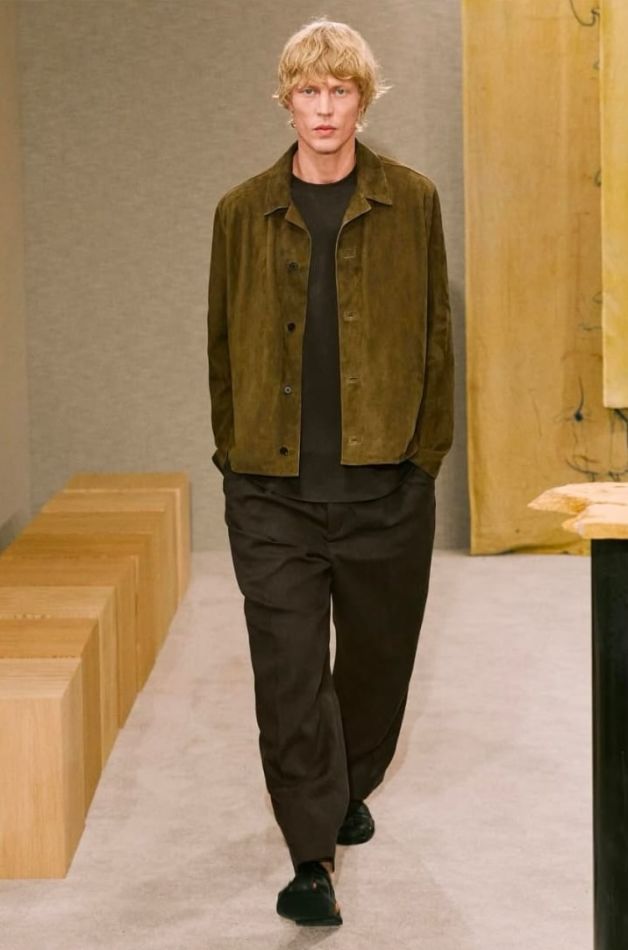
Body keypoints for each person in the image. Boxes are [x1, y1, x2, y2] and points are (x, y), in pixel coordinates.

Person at [206, 16, 453, 927]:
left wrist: (424, 461)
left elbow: (435, 336)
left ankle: (349, 781)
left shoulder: (412, 201)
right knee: (289, 677)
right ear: (285, 100)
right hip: (272, 493)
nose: (323, 108)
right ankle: (311, 857)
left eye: (339, 91)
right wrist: (236, 459)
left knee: (379, 669)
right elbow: (221, 344)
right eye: (308, 91)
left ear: (362, 100)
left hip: (385, 487)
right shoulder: (241, 212)